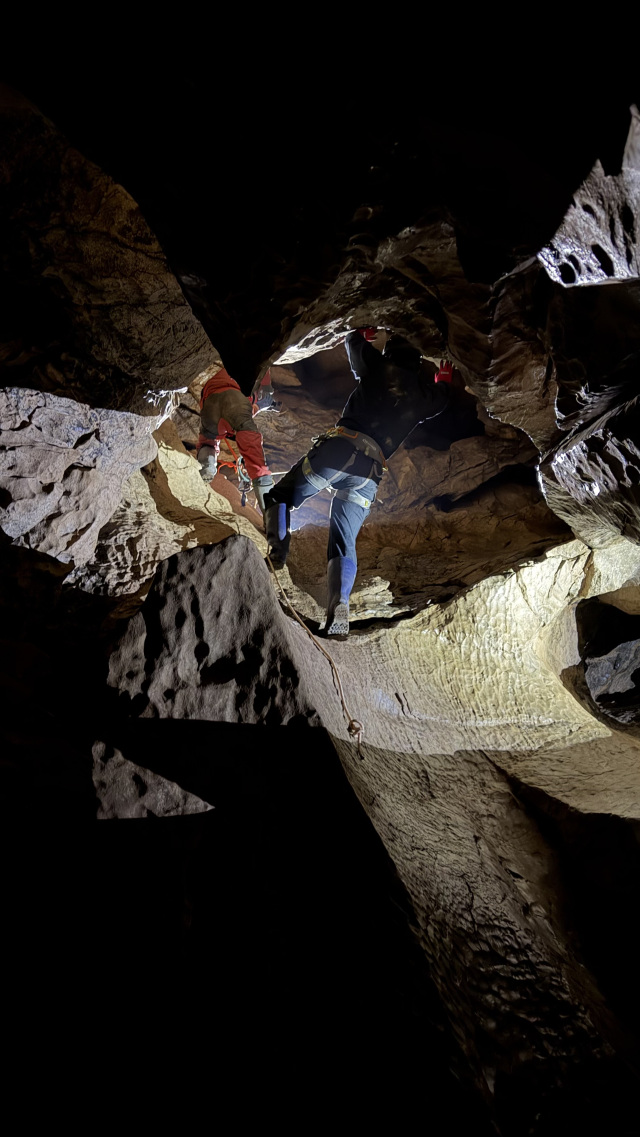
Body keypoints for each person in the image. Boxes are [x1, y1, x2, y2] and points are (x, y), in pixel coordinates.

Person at [263, 328, 455, 637]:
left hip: (339, 450)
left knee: (281, 496)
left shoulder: (379, 366)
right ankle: (339, 604)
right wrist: (443, 379)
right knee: (343, 539)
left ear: (390, 350)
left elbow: (352, 342)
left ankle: (277, 553)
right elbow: (441, 400)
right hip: (369, 473)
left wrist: (365, 334)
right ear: (417, 362)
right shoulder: (421, 399)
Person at [197, 367, 274, 511]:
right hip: (236, 401)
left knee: (208, 443)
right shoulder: (252, 372)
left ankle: (205, 473)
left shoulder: (222, 373)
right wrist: (264, 393)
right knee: (253, 451)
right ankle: (271, 516)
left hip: (209, 406)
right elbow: (242, 415)